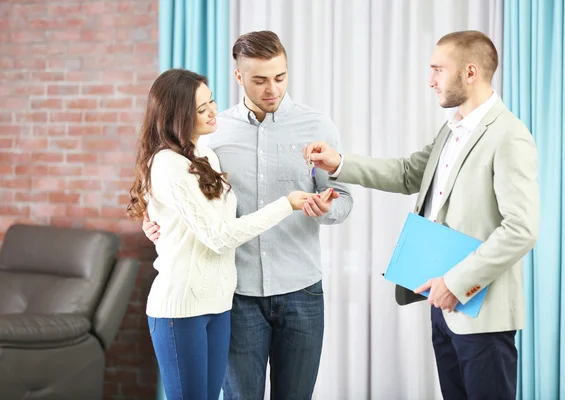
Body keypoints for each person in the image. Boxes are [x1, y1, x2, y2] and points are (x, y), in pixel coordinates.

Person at [304, 30, 539, 399]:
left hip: (482, 312)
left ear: (470, 73)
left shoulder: (510, 137)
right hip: (443, 309)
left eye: (438, 70)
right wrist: (340, 163)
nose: (430, 81)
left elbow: (521, 230)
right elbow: (406, 173)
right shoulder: (451, 129)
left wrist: (457, 283)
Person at [143, 31, 353, 399]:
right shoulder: (211, 133)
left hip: (301, 291)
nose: (272, 89)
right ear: (239, 77)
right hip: (235, 297)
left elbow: (345, 199)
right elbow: (178, 189)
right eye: (260, 80)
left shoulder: (317, 127)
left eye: (280, 77)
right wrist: (155, 221)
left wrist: (327, 209)